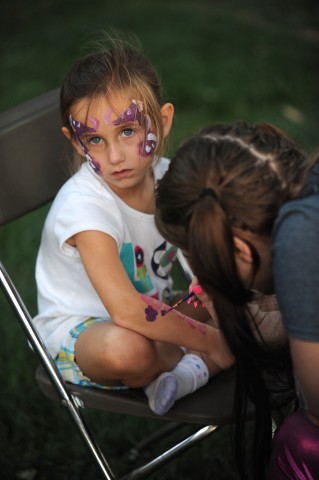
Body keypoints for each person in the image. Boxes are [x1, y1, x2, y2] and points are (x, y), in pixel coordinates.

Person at [33, 36, 233, 417]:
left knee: (235, 288)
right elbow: (125, 312)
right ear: (76, 143)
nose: (114, 156)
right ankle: (209, 356)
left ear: (163, 120)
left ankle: (186, 369)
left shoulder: (172, 180)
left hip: (159, 313)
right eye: (94, 139)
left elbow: (207, 267)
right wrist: (213, 339)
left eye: (127, 131)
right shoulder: (84, 207)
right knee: (130, 349)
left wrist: (221, 302)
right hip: (89, 333)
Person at [155, 122, 319, 479]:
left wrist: (282, 326)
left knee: (302, 440)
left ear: (239, 252)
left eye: (198, 257)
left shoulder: (300, 247)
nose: (200, 279)